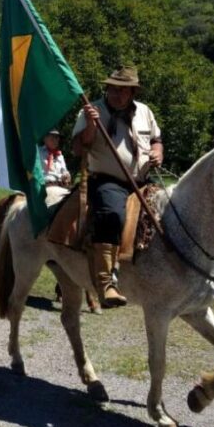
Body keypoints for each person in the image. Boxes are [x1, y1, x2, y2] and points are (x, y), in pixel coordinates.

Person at [72, 65, 162, 309]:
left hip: (142, 180)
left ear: (132, 92)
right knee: (111, 214)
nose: (117, 94)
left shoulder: (145, 112)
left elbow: (156, 140)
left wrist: (156, 153)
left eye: (123, 90)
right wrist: (91, 125)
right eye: (113, 88)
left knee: (170, 212)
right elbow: (79, 149)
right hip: (107, 180)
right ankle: (105, 283)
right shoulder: (92, 111)